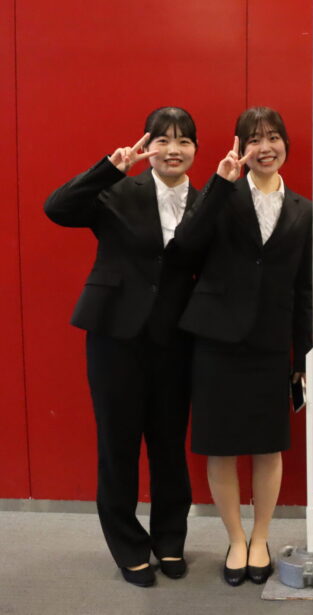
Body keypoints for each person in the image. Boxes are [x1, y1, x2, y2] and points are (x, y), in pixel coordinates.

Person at [44, 107, 200, 587]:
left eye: (183, 141)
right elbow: (57, 208)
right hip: (114, 336)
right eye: (162, 140)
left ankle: (169, 540)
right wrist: (110, 168)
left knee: (170, 447)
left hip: (176, 340)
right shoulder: (117, 190)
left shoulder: (208, 201)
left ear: (195, 149)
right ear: (147, 146)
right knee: (118, 445)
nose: (172, 150)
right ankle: (129, 546)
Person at [174, 106, 312, 586]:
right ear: (240, 147)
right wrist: (219, 182)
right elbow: (185, 245)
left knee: (268, 447)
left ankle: (261, 537)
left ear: (285, 144)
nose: (265, 147)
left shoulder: (304, 210)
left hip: (271, 342)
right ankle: (235, 539)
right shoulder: (221, 194)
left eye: (273, 137)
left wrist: (303, 355)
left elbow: (305, 288)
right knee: (221, 446)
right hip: (217, 338)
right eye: (254, 139)